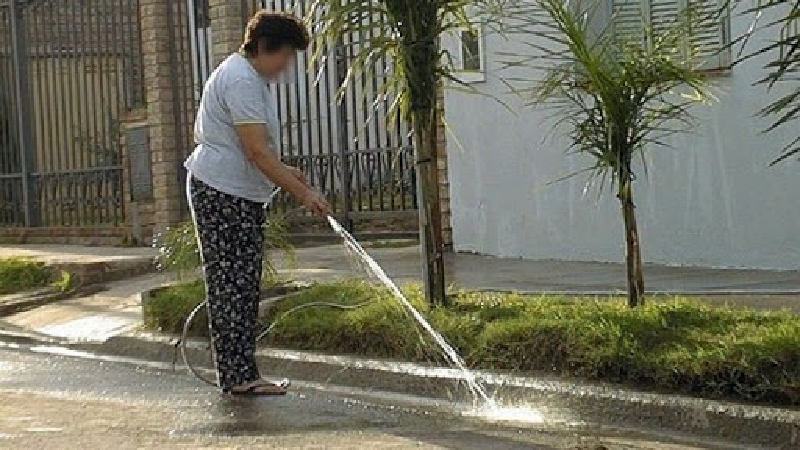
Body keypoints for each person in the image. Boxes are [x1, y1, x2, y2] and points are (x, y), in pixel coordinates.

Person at [184, 10, 331, 396]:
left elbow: (259, 151)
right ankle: (238, 377)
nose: (287, 66)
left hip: (232, 191)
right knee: (232, 283)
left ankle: (240, 374)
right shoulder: (241, 81)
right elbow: (255, 152)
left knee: (241, 284)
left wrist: (288, 172)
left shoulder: (247, 77)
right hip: (222, 193)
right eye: (286, 55)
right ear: (265, 47)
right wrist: (305, 194)